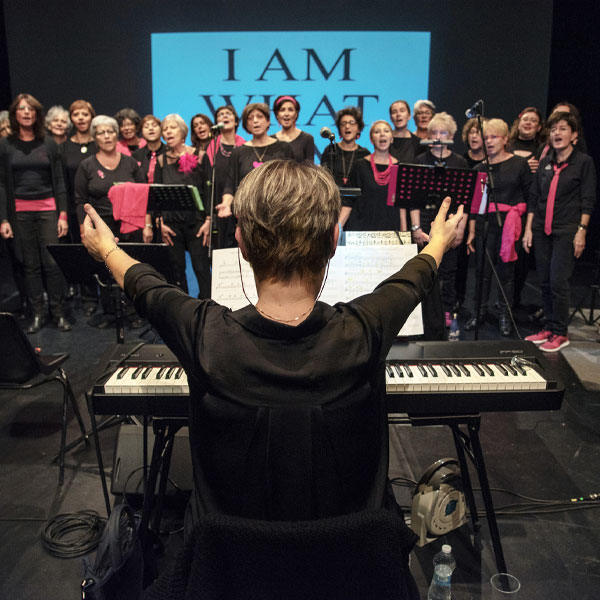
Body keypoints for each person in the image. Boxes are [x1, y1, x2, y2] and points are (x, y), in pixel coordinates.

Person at [81, 159, 463, 541]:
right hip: (351, 560)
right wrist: (439, 243)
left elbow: (146, 287)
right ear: (333, 241)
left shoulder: (205, 335)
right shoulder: (365, 328)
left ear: (242, 245)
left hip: (228, 563)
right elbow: (413, 278)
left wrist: (107, 248)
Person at [522, 112, 596, 352]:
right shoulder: (546, 161)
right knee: (543, 280)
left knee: (558, 281)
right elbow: (534, 196)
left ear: (574, 135)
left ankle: (561, 332)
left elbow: (588, 199)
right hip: (541, 228)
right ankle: (549, 327)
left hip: (566, 229)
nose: (557, 133)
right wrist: (529, 229)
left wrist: (581, 231)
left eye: (563, 129)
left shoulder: (583, 162)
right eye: (554, 129)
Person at [0, 93, 70, 333]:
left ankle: (59, 313)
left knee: (52, 264)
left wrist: (63, 215)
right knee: (30, 265)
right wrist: (3, 218)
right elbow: (0, 184)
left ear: (37, 114)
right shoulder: (5, 144)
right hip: (19, 214)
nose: (27, 112)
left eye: (31, 109)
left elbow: (59, 181)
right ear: (15, 114)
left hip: (48, 211)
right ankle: (38, 313)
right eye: (22, 109)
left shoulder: (49, 143)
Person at [74, 115, 147, 328]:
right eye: (101, 133)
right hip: (101, 225)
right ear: (95, 137)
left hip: (130, 224)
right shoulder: (87, 165)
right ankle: (109, 313)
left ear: (117, 135)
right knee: (105, 268)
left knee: (130, 267)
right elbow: (80, 200)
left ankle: (134, 312)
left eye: (110, 132)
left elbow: (144, 194)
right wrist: (83, 228)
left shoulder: (131, 162)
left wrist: (147, 224)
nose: (106, 136)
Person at [465, 119, 533, 336]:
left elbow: (531, 197)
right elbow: (474, 204)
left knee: (506, 274)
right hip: (486, 225)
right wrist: (472, 232)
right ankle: (479, 312)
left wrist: (528, 228)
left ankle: (505, 314)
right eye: (486, 138)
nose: (489, 141)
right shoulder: (479, 168)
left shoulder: (519, 165)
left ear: (505, 139)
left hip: (509, 226)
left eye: (494, 137)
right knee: (481, 273)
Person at [412, 112, 469, 330]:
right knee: (425, 266)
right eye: (433, 132)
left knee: (448, 270)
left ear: (451, 135)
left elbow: (465, 201)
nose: (437, 137)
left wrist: (461, 228)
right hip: (426, 221)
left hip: (450, 222)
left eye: (442, 132)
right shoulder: (420, 160)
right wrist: (416, 227)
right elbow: (413, 200)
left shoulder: (459, 162)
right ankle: (423, 310)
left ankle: (447, 310)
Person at [154, 113, 210, 298]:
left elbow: (209, 191)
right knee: (176, 271)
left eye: (172, 127)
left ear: (183, 131)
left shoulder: (200, 156)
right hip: (171, 225)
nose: (167, 131)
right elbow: (156, 195)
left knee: (201, 269)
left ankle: (208, 309)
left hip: (197, 224)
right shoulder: (161, 161)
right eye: (165, 129)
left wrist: (209, 220)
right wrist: (159, 224)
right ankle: (182, 310)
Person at [217, 102, 293, 217]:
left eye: (260, 117)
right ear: (246, 125)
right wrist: (226, 204)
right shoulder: (238, 152)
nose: (255, 121)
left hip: (278, 212)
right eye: (250, 118)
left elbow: (293, 180)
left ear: (268, 121)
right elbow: (230, 185)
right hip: (248, 213)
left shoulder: (283, 148)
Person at [345, 120, 404, 231]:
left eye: (386, 131)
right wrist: (338, 225)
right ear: (371, 140)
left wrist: (404, 233)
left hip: (390, 229)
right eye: (377, 132)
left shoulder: (398, 167)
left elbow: (401, 205)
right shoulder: (360, 165)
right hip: (361, 228)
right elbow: (349, 200)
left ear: (392, 138)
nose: (382, 134)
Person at [202, 105, 245, 249]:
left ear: (236, 121)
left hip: (240, 203)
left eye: (228, 114)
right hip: (218, 203)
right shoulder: (211, 147)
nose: (224, 116)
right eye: (221, 115)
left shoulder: (244, 146)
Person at [320, 106, 369, 185]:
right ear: (339, 129)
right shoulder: (330, 150)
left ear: (359, 128)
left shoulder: (364, 154)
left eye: (352, 123)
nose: (347, 126)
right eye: (343, 123)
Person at [272, 95, 314, 162]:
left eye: (290, 110)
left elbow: (310, 167)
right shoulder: (271, 140)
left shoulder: (307, 138)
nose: (286, 114)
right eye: (282, 110)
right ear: (277, 115)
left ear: (296, 114)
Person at [507, 107, 544, 173]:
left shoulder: (542, 149)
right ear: (518, 124)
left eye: (533, 120)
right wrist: (524, 166)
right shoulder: (506, 145)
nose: (528, 123)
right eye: (525, 119)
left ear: (539, 127)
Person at [133, 114, 165, 185]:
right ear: (142, 132)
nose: (151, 129)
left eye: (154, 126)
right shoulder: (136, 155)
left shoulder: (169, 153)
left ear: (161, 129)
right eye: (146, 127)